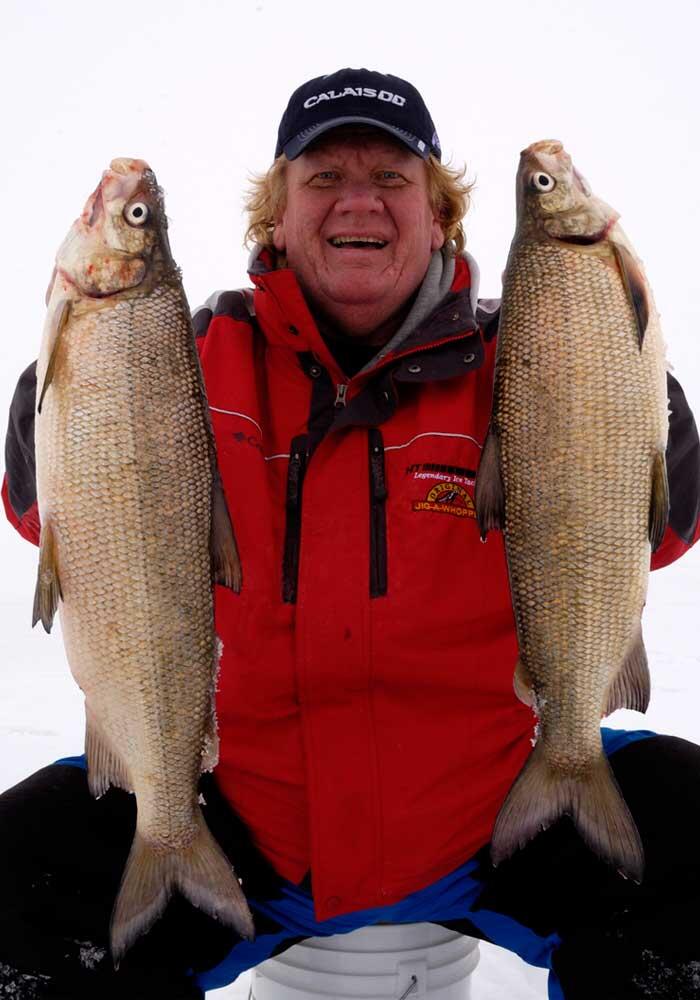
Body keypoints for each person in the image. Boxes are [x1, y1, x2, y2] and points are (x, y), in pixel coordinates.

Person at [2, 67, 700, 1000]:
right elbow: (42, 517)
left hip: (490, 810)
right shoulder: (178, 358)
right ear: (276, 217)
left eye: (392, 177)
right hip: (243, 821)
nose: (357, 200)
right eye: (323, 178)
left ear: (440, 212)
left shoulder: (539, 355)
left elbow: (661, 533)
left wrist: (636, 406)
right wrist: (55, 404)